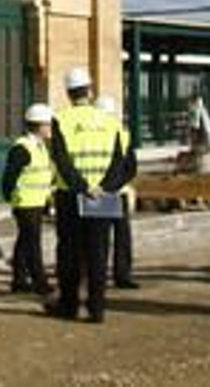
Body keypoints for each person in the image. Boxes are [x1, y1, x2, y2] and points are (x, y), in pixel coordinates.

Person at [46, 67, 133, 324]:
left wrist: (83, 187)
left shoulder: (60, 120)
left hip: (70, 195)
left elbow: (61, 160)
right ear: (90, 90)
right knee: (98, 252)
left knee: (70, 252)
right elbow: (119, 162)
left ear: (68, 93)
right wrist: (105, 186)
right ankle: (97, 308)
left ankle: (69, 305)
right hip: (104, 195)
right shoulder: (110, 122)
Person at [2, 102, 55, 296]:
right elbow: (9, 176)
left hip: (36, 202)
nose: (50, 128)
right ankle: (40, 282)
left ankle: (19, 280)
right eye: (48, 124)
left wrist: (47, 200)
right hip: (25, 203)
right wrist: (10, 196)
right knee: (33, 244)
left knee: (24, 241)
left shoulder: (40, 147)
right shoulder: (22, 148)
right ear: (39, 125)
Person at [94, 94, 140, 289]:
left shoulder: (96, 135)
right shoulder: (121, 133)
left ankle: (102, 276)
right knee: (119, 236)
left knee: (103, 238)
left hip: (101, 192)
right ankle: (121, 275)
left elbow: (130, 166)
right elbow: (131, 168)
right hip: (112, 191)